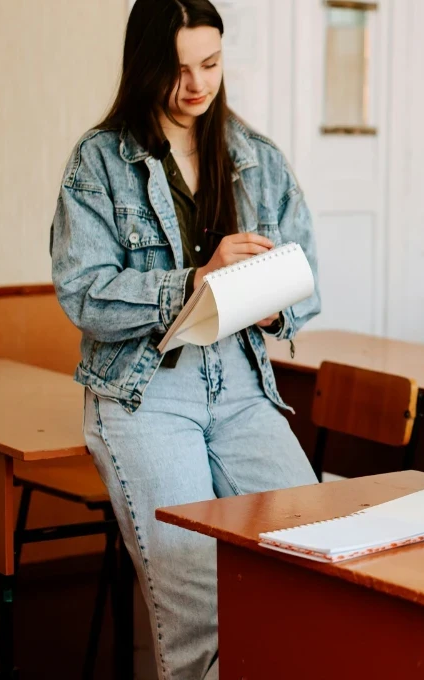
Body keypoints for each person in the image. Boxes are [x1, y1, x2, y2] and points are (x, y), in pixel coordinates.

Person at [49, 1, 319, 677]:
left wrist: (271, 304)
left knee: (310, 558)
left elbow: (305, 276)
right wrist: (195, 281)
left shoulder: (254, 156)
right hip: (147, 396)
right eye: (177, 70)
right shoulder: (99, 160)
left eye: (211, 64)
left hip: (241, 384)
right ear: (144, 66)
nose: (197, 85)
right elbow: (83, 293)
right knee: (198, 605)